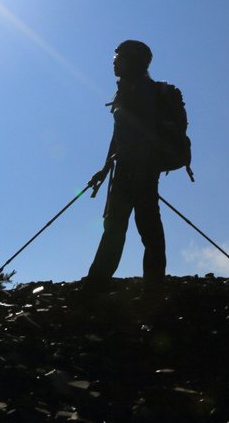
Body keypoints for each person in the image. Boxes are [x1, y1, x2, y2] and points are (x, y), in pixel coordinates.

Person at [83, 40, 167, 301]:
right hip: (128, 168)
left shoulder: (144, 93)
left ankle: (141, 288)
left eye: (119, 57)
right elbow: (118, 136)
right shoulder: (126, 92)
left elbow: (145, 134)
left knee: (141, 226)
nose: (114, 62)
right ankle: (105, 282)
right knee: (124, 225)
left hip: (140, 168)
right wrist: (106, 168)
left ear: (134, 61)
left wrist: (139, 168)